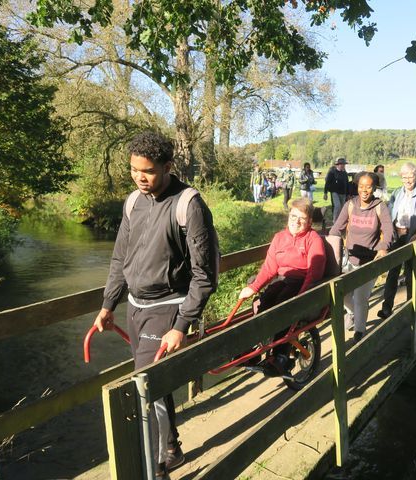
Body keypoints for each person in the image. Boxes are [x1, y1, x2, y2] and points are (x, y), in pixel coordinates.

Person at [93, 131, 219, 478]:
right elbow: (121, 257)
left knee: (144, 389)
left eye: (147, 171)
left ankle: (155, 470)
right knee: (155, 384)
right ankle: (172, 448)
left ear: (167, 166)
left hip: (168, 307)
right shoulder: (134, 201)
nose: (139, 177)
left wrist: (182, 324)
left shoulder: (188, 205)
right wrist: (108, 304)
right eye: (134, 170)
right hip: (135, 306)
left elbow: (204, 275)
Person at [239, 198, 326, 373]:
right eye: (293, 216)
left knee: (283, 306)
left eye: (302, 218)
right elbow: (269, 268)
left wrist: (302, 296)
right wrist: (253, 287)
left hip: (299, 280)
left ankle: (281, 356)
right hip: (280, 279)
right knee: (264, 302)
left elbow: (314, 272)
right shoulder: (279, 238)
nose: (296, 221)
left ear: (309, 221)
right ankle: (255, 351)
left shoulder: (313, 239)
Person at [328, 172, 393, 343]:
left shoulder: (380, 207)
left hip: (369, 262)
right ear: (357, 187)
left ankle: (359, 332)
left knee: (361, 298)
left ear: (374, 188)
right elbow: (336, 229)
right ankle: (352, 313)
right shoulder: (350, 205)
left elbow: (388, 230)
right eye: (361, 186)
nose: (364, 190)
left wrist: (383, 247)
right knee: (341, 294)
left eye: (368, 186)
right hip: (349, 259)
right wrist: (329, 245)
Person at [377, 162, 416, 319]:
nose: (408, 180)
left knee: (411, 273)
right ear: (401, 177)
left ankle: (411, 306)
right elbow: (388, 216)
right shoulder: (397, 193)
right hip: (397, 237)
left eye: (411, 176)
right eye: (405, 177)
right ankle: (387, 308)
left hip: (413, 237)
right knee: (392, 273)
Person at [324, 157, 350, 223]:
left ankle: (340, 221)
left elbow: (347, 184)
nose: (343, 166)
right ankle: (335, 221)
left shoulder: (345, 173)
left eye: (344, 164)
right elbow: (327, 183)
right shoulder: (332, 173)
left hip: (343, 193)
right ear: (338, 165)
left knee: (342, 208)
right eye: (342, 164)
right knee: (337, 206)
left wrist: (348, 194)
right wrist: (325, 193)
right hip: (335, 192)